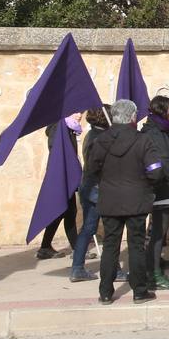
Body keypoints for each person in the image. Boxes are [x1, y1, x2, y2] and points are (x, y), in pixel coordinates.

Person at [87, 99, 163, 305]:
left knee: (110, 246)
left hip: (110, 199)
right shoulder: (143, 140)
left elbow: (91, 169)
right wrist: (146, 181)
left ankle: (105, 291)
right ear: (133, 117)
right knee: (136, 245)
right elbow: (156, 169)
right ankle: (139, 291)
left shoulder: (101, 140)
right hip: (137, 198)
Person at [140, 96, 169, 291]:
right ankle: (154, 274)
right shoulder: (155, 133)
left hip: (168, 187)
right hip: (161, 188)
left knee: (159, 232)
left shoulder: (164, 129)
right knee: (157, 233)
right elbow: (165, 161)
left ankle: (154, 265)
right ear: (161, 111)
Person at [70, 106, 114, 283]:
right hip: (99, 188)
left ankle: (77, 267)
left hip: (89, 186)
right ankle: (114, 269)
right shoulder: (101, 138)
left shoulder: (92, 135)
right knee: (112, 230)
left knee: (88, 229)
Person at [37, 113, 83, 260]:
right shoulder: (59, 127)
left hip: (66, 176)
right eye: (77, 112)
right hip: (61, 176)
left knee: (65, 212)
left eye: (81, 112)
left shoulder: (69, 128)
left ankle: (45, 247)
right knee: (67, 211)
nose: (80, 115)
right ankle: (76, 249)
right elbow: (56, 152)